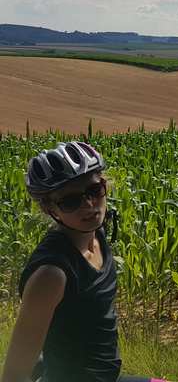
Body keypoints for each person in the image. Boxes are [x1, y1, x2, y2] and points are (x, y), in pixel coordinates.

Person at [1, 141, 166, 382]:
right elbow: (14, 376)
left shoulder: (96, 232)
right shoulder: (51, 275)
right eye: (70, 201)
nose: (89, 205)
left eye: (94, 191)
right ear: (49, 208)